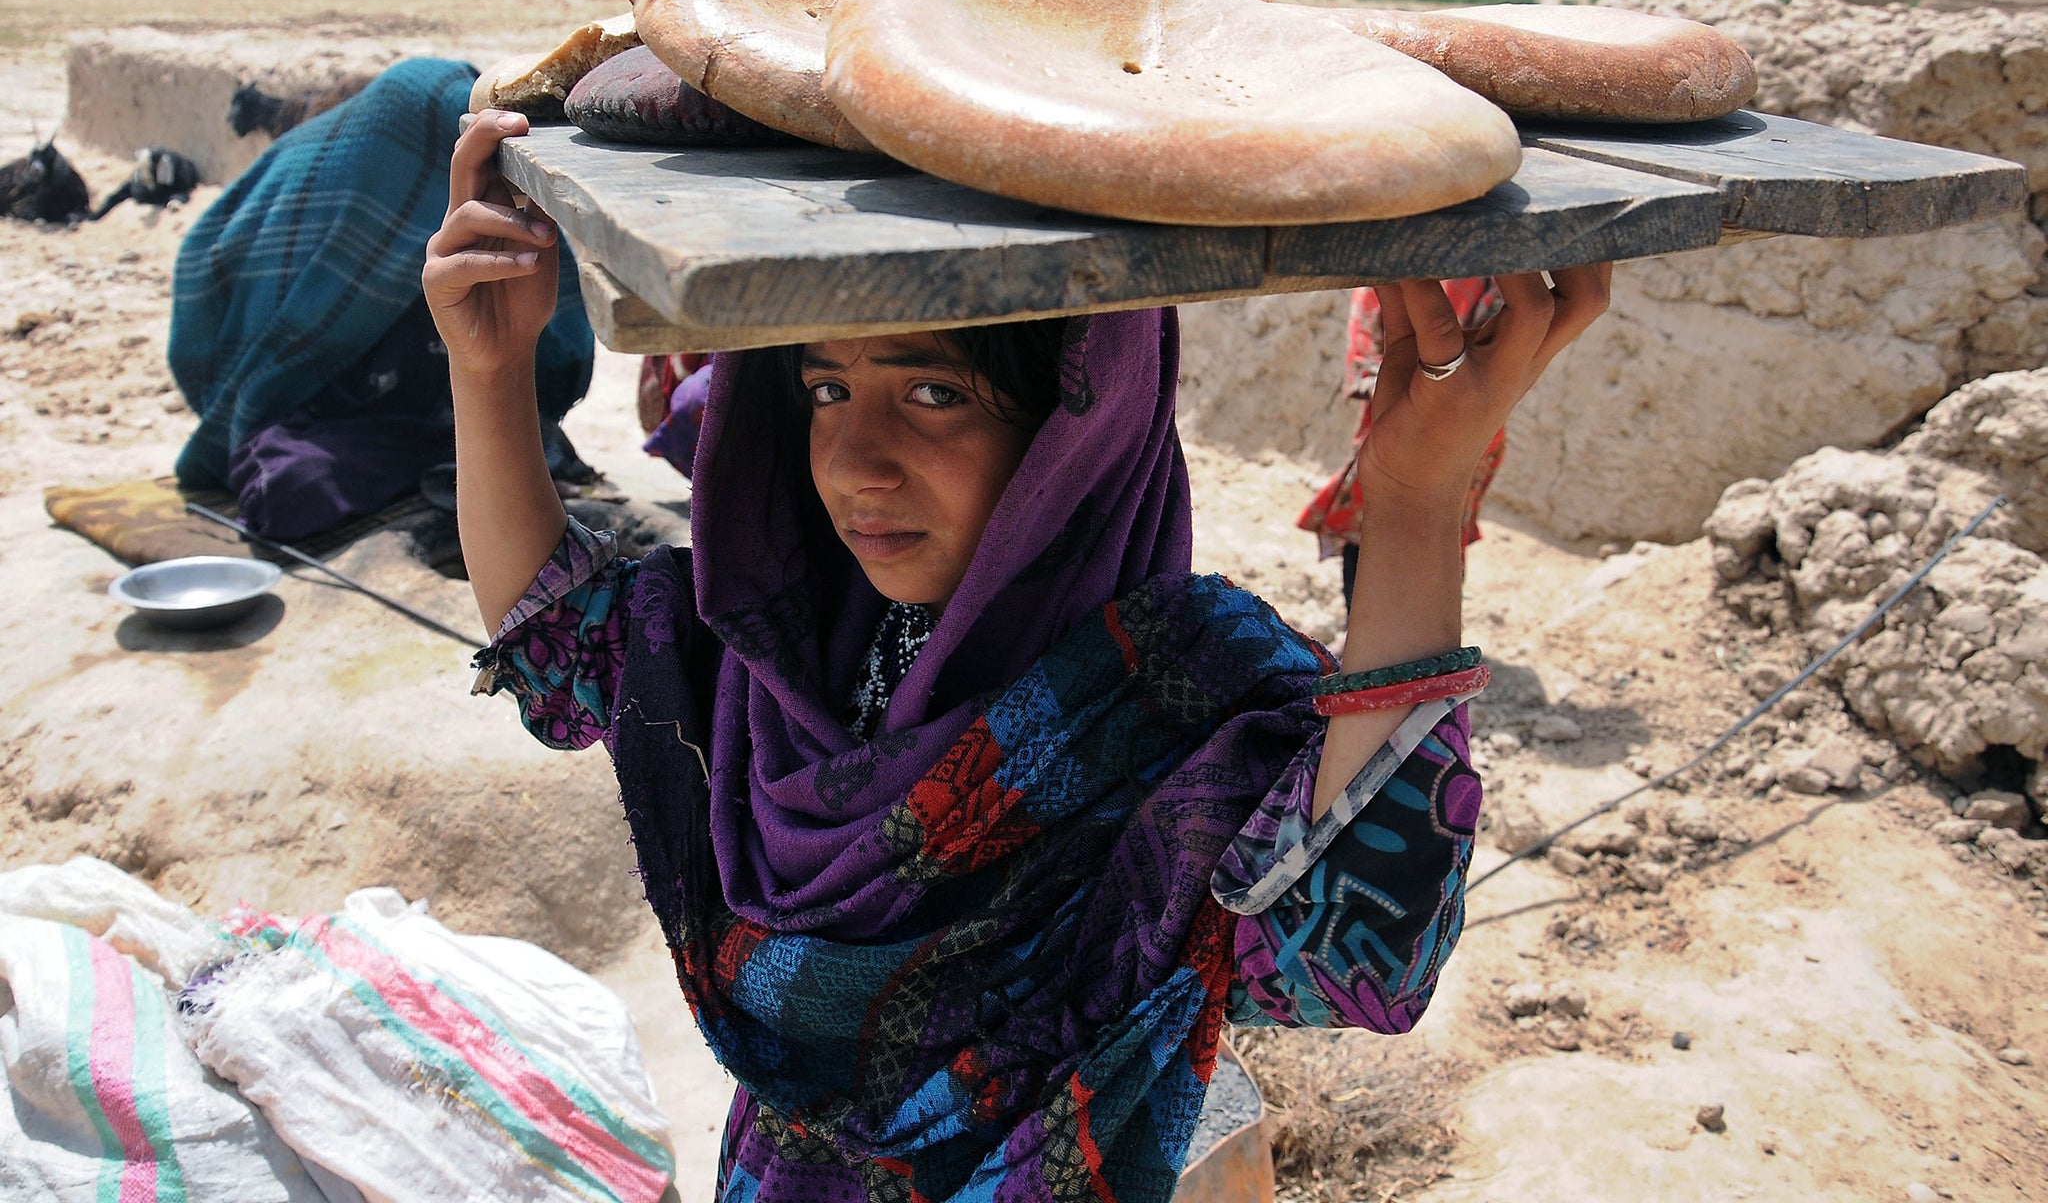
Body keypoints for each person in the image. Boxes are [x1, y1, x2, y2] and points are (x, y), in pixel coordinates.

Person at [429, 111, 1611, 1203]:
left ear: (1077, 433)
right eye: (827, 386)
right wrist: (488, 372)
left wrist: (1411, 493)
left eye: (934, 391)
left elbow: (1360, 955)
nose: (853, 462)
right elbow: (566, 651)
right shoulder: (780, 644)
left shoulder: (1172, 701)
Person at [169, 60, 594, 540]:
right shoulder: (357, 200)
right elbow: (216, 312)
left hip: (437, 406)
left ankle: (445, 467)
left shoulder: (475, 224)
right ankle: (440, 469)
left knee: (528, 450)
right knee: (294, 487)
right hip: (321, 407)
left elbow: (536, 350)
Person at [1300, 281, 1506, 605]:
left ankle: (1419, 636)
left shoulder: (1492, 272)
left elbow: (1500, 346)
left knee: (1438, 530)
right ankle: (1361, 627)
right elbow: (1366, 333)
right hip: (1400, 408)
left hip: (1465, 419)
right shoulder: (1391, 266)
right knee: (1373, 520)